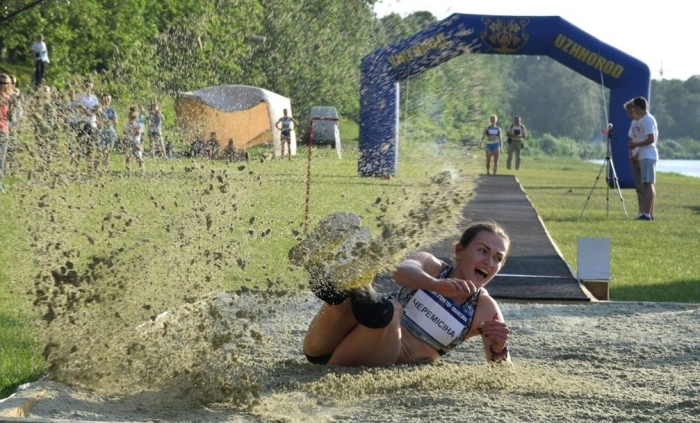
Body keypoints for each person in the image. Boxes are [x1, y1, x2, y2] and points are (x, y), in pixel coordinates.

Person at [295, 214, 512, 367]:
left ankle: (344, 272)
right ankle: (321, 267)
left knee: (391, 311)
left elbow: (501, 372)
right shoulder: (431, 266)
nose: (489, 262)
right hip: (323, 344)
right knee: (348, 300)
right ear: (459, 250)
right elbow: (401, 271)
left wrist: (499, 348)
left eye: (498, 258)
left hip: (371, 360)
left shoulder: (484, 308)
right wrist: (434, 284)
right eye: (483, 251)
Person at [627, 97, 658, 221]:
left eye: (634, 108)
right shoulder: (641, 121)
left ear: (639, 108)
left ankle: (647, 213)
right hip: (644, 156)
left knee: (648, 184)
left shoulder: (648, 120)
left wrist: (635, 145)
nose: (633, 110)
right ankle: (647, 213)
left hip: (648, 155)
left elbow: (651, 139)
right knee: (646, 184)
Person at [624, 101, 645, 219]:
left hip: (642, 157)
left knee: (644, 185)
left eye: (631, 112)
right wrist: (631, 155)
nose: (629, 115)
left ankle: (646, 212)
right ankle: (640, 211)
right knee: (638, 186)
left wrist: (638, 155)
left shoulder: (644, 122)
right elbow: (631, 140)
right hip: (634, 157)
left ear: (636, 109)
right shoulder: (633, 123)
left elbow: (646, 141)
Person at [0, 73, 15, 193]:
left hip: (3, 130)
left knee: (1, 159)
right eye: (0, 82)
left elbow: (12, 117)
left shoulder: (9, 98)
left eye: (5, 83)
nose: (2, 85)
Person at [98, 93, 118, 171]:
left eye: (108, 99)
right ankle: (94, 168)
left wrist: (105, 121)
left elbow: (115, 121)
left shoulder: (112, 110)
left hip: (110, 131)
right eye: (105, 99)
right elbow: (98, 120)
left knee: (107, 151)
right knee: (100, 150)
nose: (106, 101)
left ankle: (104, 168)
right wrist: (107, 121)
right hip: (102, 131)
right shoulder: (99, 109)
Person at [124, 108, 144, 175]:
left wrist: (141, 144)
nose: (132, 119)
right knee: (128, 158)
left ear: (136, 118)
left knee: (139, 159)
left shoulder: (138, 125)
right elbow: (124, 132)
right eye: (131, 118)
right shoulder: (127, 125)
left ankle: (142, 171)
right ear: (129, 117)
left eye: (134, 118)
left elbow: (139, 133)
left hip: (136, 143)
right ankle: (128, 172)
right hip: (129, 142)